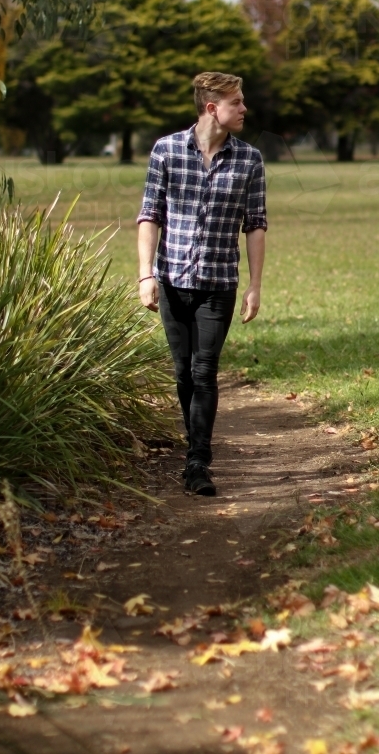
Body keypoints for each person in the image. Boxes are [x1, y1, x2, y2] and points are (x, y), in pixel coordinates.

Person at [136, 71, 267, 497]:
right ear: (213, 108)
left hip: (218, 284)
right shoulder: (167, 151)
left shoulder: (250, 160)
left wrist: (255, 285)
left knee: (205, 370)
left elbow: (256, 225)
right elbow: (149, 216)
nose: (244, 109)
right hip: (173, 280)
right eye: (237, 102)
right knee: (183, 373)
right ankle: (193, 447)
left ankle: (198, 461)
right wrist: (146, 274)